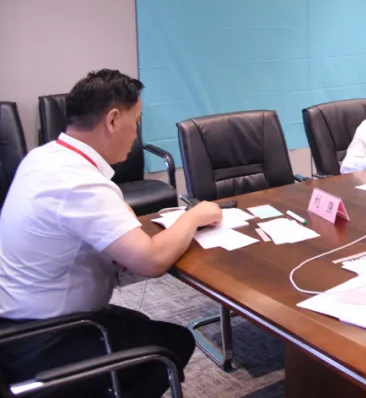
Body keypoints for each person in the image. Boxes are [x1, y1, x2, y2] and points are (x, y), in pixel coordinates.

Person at [0, 70, 220, 397]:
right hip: (44, 337)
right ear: (113, 120)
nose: (136, 134)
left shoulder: (45, 157)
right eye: (137, 121)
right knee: (171, 344)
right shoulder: (79, 182)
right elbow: (152, 261)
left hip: (18, 323)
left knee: (144, 326)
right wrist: (194, 216)